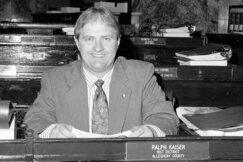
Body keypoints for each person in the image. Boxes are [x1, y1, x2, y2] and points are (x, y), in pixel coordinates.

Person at [24, 7, 179, 138]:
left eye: (106, 39)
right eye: (89, 39)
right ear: (77, 42)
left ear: (118, 41)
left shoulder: (141, 75)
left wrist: (151, 130)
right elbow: (35, 119)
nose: (98, 48)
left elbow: (165, 118)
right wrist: (52, 130)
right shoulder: (55, 79)